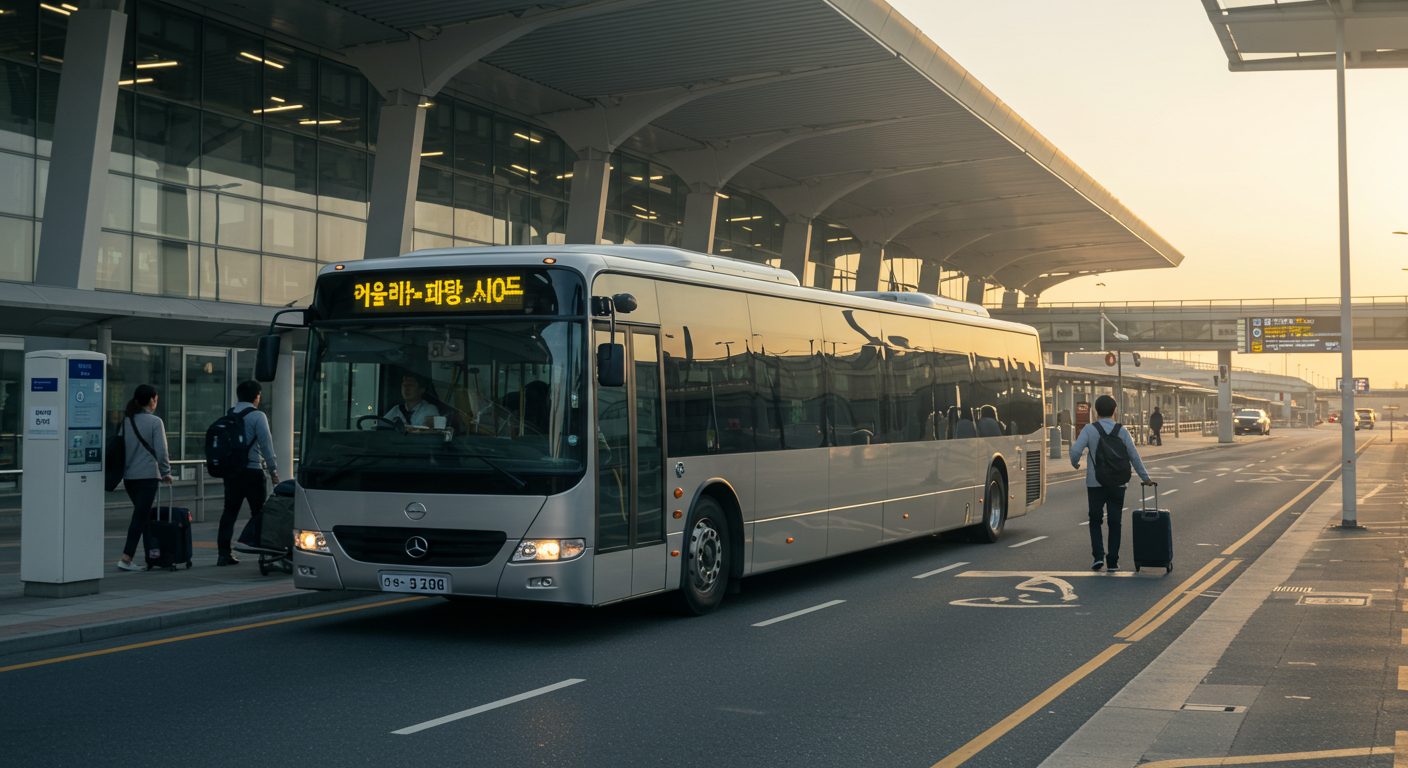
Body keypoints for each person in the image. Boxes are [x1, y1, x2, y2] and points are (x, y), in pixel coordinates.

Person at [1069, 395, 1154, 571]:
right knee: (1115, 522)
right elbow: (1133, 456)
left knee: (1095, 520)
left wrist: (1075, 463)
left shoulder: (1089, 429)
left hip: (1095, 484)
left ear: (1095, 411)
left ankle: (1098, 557)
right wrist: (1145, 478)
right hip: (1118, 483)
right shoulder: (1122, 431)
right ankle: (1113, 561)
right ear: (1115, 411)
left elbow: (1075, 450)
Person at [217, 380, 279, 566]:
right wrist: (273, 470)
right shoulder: (258, 416)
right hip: (252, 472)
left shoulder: (230, 414)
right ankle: (263, 554)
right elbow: (266, 445)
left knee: (229, 512)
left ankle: (223, 554)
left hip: (232, 473)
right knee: (259, 513)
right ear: (257, 395)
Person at [117, 385, 173, 572]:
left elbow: (119, 448)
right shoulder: (155, 422)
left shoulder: (126, 421)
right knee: (140, 517)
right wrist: (166, 472)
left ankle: (154, 556)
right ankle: (126, 558)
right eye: (156, 399)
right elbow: (161, 450)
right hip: (148, 477)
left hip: (129, 478)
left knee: (145, 516)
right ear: (151, 400)